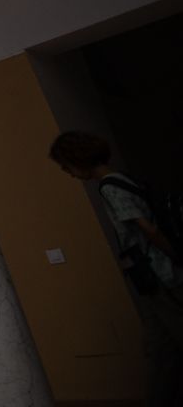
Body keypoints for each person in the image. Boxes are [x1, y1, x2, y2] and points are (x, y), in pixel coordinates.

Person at [50, 130, 182, 406]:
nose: (69, 173)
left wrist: (175, 256)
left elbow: (147, 229)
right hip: (155, 273)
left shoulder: (109, 187)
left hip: (156, 272)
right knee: (160, 347)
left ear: (78, 159)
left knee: (167, 340)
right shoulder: (125, 180)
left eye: (66, 165)